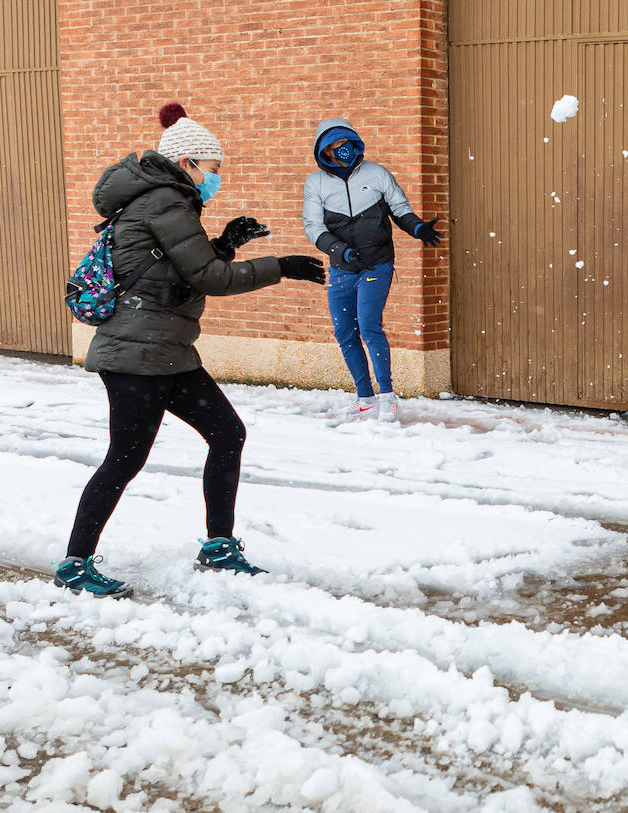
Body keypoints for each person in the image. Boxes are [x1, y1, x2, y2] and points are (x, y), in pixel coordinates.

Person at [58, 103, 326, 598]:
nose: (215, 179)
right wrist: (280, 266)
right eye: (213, 169)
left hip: (166, 350)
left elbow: (180, 275)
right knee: (125, 457)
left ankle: (218, 546)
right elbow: (208, 279)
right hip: (136, 354)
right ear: (188, 164)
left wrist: (225, 242)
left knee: (227, 433)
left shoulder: (165, 201)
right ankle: (75, 563)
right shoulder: (164, 202)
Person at [303, 117, 444, 424]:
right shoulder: (316, 183)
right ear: (322, 152)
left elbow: (399, 208)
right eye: (332, 147)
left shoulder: (377, 174)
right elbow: (313, 226)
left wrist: (418, 227)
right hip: (342, 267)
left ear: (353, 143)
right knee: (345, 331)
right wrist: (339, 250)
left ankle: (388, 398)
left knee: (369, 326)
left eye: (344, 144)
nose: (340, 151)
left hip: (377, 263)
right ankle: (364, 397)